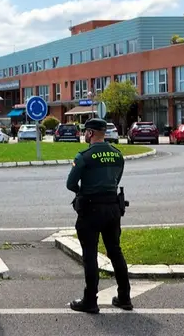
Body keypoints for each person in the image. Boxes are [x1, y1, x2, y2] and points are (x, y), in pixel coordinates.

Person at [65, 117, 132, 314]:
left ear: (91, 133)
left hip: (90, 210)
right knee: (115, 252)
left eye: (86, 132)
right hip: (112, 209)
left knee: (90, 255)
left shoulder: (84, 156)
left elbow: (70, 184)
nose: (84, 134)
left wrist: (83, 191)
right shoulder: (117, 155)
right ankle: (125, 297)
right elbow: (116, 179)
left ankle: (90, 300)